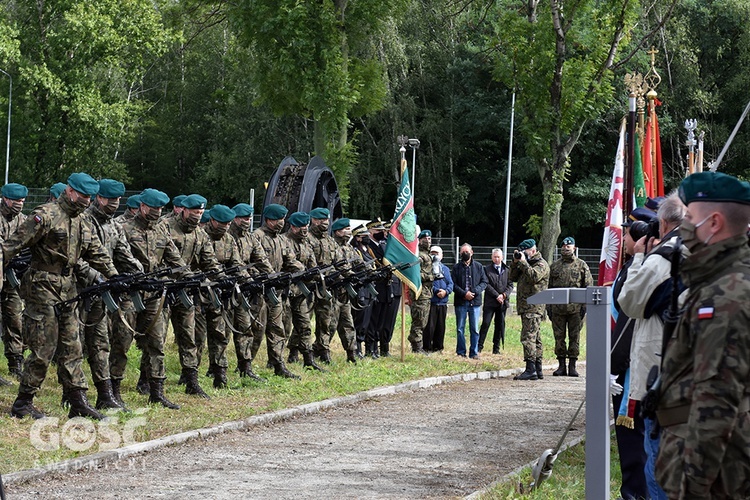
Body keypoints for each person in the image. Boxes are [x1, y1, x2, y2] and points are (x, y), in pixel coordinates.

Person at [655, 172, 750, 498]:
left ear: (714, 223)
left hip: (715, 476)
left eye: (690, 219)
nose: (683, 229)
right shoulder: (720, 279)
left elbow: (716, 402)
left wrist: (692, 486)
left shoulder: (727, 294)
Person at [6, 173, 119, 420]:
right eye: (83, 195)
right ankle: (23, 403)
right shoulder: (44, 215)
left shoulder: (83, 222)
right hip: (42, 287)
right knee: (43, 348)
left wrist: (113, 276)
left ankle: (77, 400)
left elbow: (96, 252)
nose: (87, 201)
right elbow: (11, 245)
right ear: (69, 191)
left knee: (72, 346)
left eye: (90, 197)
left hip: (69, 290)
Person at [618, 193, 688, 500]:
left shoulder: (667, 256)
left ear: (662, 223)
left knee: (660, 467)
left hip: (664, 379)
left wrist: (640, 257)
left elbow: (630, 301)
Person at [110, 188, 187, 410]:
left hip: (154, 295)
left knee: (156, 343)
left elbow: (175, 261)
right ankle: (114, 391)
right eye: (154, 208)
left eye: (160, 209)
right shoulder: (122, 228)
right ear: (142, 207)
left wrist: (190, 279)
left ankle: (156, 392)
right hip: (128, 295)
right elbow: (110, 258)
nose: (158, 212)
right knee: (121, 342)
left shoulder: (162, 231)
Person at [78, 179, 144, 410]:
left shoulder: (114, 226)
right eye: (110, 199)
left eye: (117, 200)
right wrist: (96, 276)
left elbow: (125, 255)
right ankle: (71, 394)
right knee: (69, 347)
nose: (114, 204)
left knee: (100, 344)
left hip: (100, 293)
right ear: (98, 197)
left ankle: (105, 396)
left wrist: (139, 276)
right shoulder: (82, 221)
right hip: (77, 291)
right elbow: (73, 256)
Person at [610, 208, 654, 500]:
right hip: (623, 363)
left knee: (636, 444)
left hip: (632, 367)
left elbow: (630, 321)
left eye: (628, 232)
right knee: (629, 444)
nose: (624, 238)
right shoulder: (630, 266)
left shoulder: (646, 267)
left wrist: (615, 364)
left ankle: (637, 494)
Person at [164, 193, 219, 398]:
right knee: (157, 338)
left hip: (187, 292)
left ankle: (191, 379)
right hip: (165, 290)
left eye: (201, 212)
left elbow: (209, 260)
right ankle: (149, 379)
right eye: (195, 212)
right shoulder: (166, 227)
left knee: (189, 336)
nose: (198, 216)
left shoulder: (200, 234)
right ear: (184, 210)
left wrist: (217, 277)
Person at [250, 203, 305, 378]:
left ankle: (278, 364)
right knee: (256, 329)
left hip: (277, 293)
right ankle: (246, 365)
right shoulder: (256, 237)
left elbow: (290, 260)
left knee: (278, 329)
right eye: (276, 220)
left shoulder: (281, 240)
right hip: (259, 291)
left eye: (282, 219)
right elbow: (251, 262)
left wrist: (301, 270)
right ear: (267, 219)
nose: (280, 223)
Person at [226, 203, 273, 381]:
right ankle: (215, 368)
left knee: (246, 328)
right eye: (244, 218)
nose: (247, 221)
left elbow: (261, 259)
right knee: (221, 333)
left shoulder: (251, 238)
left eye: (250, 218)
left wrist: (271, 277)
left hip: (244, 290)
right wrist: (248, 278)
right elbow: (235, 264)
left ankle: (245, 366)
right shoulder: (227, 236)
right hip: (227, 289)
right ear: (234, 218)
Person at [280, 211, 324, 371]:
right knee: (283, 327)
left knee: (304, 326)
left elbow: (312, 264)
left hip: (301, 292)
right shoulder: (283, 241)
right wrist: (303, 270)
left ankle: (308, 359)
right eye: (300, 227)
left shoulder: (306, 244)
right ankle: (277, 361)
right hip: (285, 291)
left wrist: (316, 274)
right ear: (292, 227)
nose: (304, 230)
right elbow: (288, 262)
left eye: (306, 227)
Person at [548, 237, 593, 377]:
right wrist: (548, 307)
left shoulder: (581, 265)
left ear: (574, 248)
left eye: (569, 246)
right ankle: (561, 365)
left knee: (575, 337)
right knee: (559, 337)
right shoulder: (554, 266)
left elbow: (588, 286)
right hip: (558, 310)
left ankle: (572, 365)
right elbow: (548, 288)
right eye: (564, 245)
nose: (566, 247)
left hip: (576, 310)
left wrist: (585, 306)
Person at [509, 238, 550, 381]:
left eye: (524, 252)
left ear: (532, 250)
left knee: (528, 337)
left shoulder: (541, 264)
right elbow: (512, 277)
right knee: (535, 338)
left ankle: (530, 368)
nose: (522, 254)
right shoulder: (525, 263)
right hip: (526, 306)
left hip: (534, 306)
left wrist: (524, 263)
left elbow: (534, 277)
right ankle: (538, 369)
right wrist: (515, 263)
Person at [0, 182, 28, 382]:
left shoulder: (24, 220)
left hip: (13, 280)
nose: (19, 204)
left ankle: (16, 362)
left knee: (15, 320)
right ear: (5, 199)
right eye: (16, 200)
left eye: (22, 201)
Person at [329, 217, 364, 363]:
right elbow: (333, 266)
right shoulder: (331, 246)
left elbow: (359, 263)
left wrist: (367, 272)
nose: (349, 232)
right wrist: (350, 275)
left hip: (345, 294)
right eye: (346, 229)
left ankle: (351, 353)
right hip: (333, 291)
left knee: (348, 324)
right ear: (337, 231)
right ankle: (321, 350)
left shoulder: (349, 248)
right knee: (330, 325)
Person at [308, 207, 338, 363]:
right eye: (321, 220)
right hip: (309, 286)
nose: (325, 223)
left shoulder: (329, 240)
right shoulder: (306, 238)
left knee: (326, 319)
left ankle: (323, 349)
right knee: (304, 321)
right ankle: (296, 350)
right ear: (313, 220)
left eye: (326, 220)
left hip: (326, 286)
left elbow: (338, 260)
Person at [451, 243, 487, 359]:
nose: (464, 254)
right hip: (461, 301)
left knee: (474, 329)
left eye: (467, 252)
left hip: (475, 302)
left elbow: (484, 282)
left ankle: (474, 352)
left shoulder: (479, 266)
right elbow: (453, 284)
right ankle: (461, 352)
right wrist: (464, 293)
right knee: (460, 328)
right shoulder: (456, 268)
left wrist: (475, 292)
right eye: (462, 252)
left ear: (472, 253)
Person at [478, 248, 513, 355]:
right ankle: (479, 347)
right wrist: (496, 295)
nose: (497, 259)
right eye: (495, 257)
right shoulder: (487, 269)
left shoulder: (507, 270)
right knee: (486, 323)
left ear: (502, 257)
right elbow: (486, 284)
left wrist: (504, 295)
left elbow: (510, 285)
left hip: (502, 303)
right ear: (492, 257)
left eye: (498, 257)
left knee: (499, 325)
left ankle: (496, 348)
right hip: (490, 302)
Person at [407, 229, 434, 353]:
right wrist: (430, 277)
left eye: (429, 239)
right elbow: (415, 274)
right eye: (425, 239)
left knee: (424, 321)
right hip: (420, 293)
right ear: (420, 240)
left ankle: (418, 345)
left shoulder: (427, 255)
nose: (428, 241)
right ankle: (416, 347)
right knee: (419, 320)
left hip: (427, 293)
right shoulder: (418, 256)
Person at [424, 246, 453, 352]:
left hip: (443, 302)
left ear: (442, 256)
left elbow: (450, 283)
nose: (435, 255)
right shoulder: (427, 268)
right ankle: (427, 347)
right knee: (429, 327)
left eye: (437, 253)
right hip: (432, 301)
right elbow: (428, 284)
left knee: (440, 327)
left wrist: (446, 291)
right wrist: (436, 291)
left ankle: (438, 347)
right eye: (432, 253)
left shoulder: (445, 269)